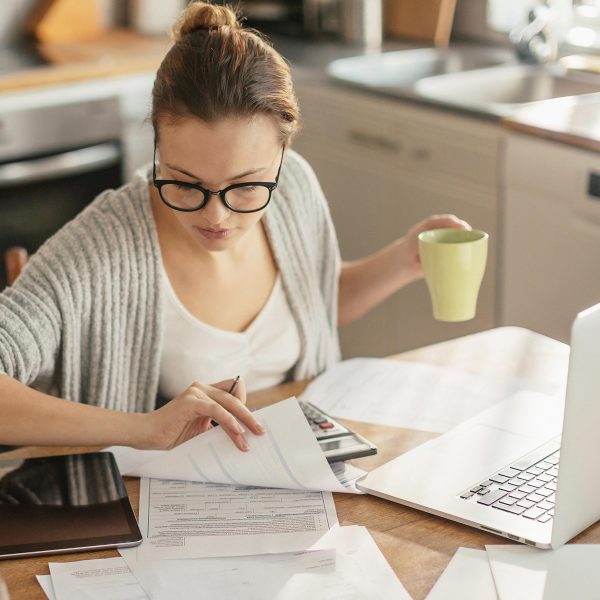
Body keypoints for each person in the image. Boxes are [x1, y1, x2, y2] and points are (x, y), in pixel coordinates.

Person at [0, 1, 469, 453]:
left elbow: (313, 300)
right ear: (157, 148)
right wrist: (143, 429)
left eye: (245, 188)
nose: (215, 216)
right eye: (185, 184)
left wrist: (404, 260)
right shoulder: (106, 245)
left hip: (299, 482)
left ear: (283, 155)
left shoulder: (295, 188)